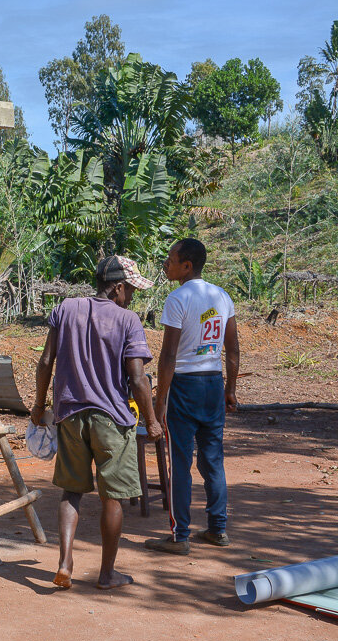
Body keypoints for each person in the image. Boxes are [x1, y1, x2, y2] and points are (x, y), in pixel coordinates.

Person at [33, 255, 165, 590]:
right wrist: (152, 421)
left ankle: (65, 563)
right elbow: (137, 379)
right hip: (111, 419)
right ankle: (107, 574)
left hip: (70, 416)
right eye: (131, 290)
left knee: (71, 492)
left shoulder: (65, 309)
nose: (131, 297)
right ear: (118, 287)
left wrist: (38, 406)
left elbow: (46, 362)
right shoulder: (127, 320)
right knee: (113, 497)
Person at [145, 239, 239, 555]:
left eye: (170, 259)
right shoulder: (221, 296)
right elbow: (233, 350)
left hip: (184, 387)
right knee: (213, 460)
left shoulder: (177, 299)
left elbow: (168, 356)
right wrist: (230, 389)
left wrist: (160, 401)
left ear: (186, 266)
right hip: (213, 383)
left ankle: (179, 536)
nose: (165, 264)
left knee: (180, 462)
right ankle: (217, 529)